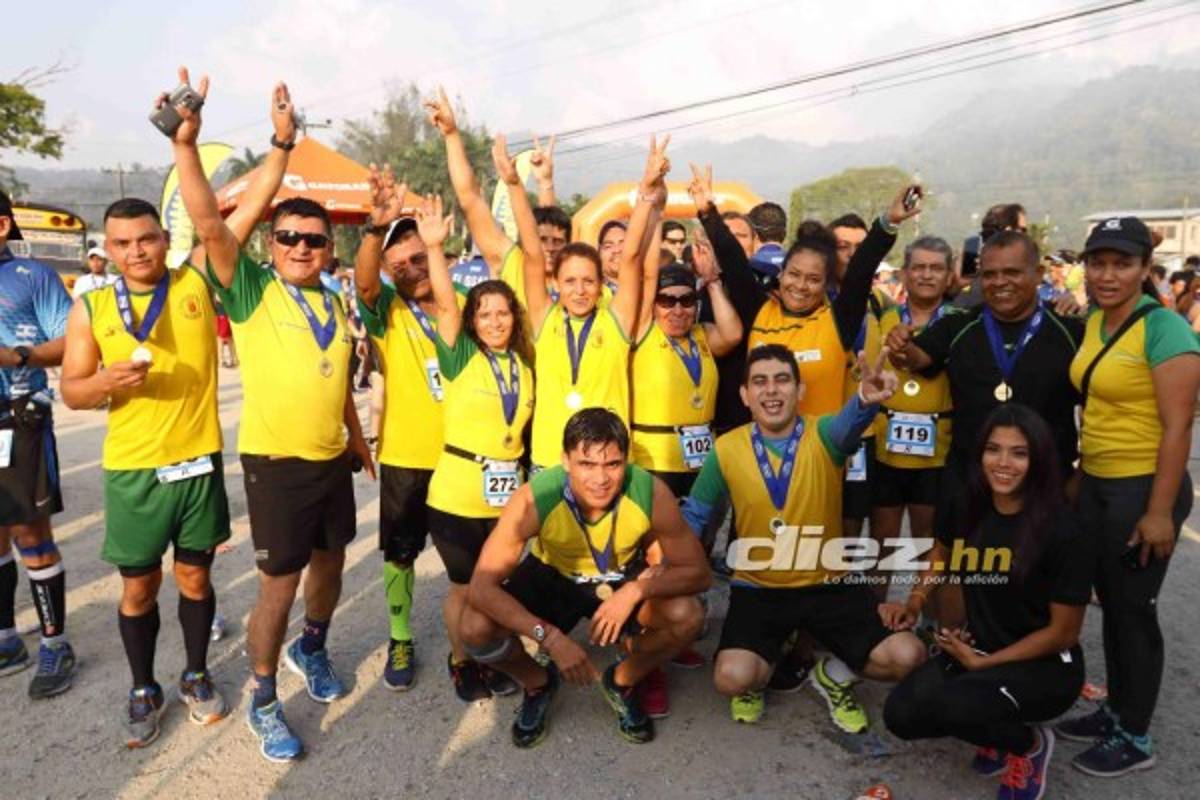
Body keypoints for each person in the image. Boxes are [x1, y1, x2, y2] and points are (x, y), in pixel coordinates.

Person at [170, 67, 374, 762]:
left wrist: (354, 436)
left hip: (331, 459)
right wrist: (192, 148)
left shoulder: (333, 301)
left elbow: (338, 371)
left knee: (332, 566)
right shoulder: (251, 289)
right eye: (288, 237)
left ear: (329, 248)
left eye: (313, 240)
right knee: (277, 588)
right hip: (277, 464)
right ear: (268, 244)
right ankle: (263, 695)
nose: (300, 248)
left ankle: (309, 650)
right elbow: (206, 220)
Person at [60, 197, 234, 747]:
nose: (136, 251)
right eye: (122, 243)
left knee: (195, 578)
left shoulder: (194, 283)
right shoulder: (91, 306)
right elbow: (72, 388)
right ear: (107, 250)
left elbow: (230, 220)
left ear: (164, 238)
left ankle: (197, 673)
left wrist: (277, 148)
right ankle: (142, 687)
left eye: (146, 239)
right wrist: (105, 385)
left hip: (197, 462)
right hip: (133, 470)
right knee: (139, 587)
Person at [682, 344, 925, 728]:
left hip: (827, 583)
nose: (772, 390)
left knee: (907, 656)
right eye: (759, 382)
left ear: (800, 391)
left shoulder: (825, 434)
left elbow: (851, 421)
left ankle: (832, 676)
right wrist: (662, 562)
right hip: (759, 587)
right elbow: (695, 514)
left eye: (782, 380)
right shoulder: (726, 449)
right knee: (732, 677)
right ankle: (759, 673)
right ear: (745, 395)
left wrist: (865, 398)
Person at [459, 408, 711, 747]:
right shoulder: (534, 498)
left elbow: (699, 573)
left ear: (626, 459)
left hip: (619, 578)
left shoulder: (650, 492)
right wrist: (547, 636)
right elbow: (480, 588)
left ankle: (622, 680)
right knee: (474, 627)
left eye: (612, 464)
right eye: (586, 465)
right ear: (565, 461)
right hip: (554, 576)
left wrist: (637, 589)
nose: (600, 479)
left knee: (688, 615)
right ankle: (538, 683)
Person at [883, 405, 1092, 800]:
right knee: (902, 714)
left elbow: (1064, 633)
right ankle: (993, 723)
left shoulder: (1064, 529)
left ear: (1038, 460)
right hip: (980, 647)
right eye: (993, 449)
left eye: (1019, 453)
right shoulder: (967, 502)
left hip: (1046, 668)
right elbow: (942, 551)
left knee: (957, 704)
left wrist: (983, 663)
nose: (1003, 463)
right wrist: (915, 600)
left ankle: (1028, 746)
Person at [1054, 217, 1200, 778]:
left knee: (1134, 610)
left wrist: (1160, 512)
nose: (1108, 274)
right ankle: (1115, 710)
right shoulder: (1095, 321)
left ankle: (1135, 736)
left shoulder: (1164, 329)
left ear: (1144, 268)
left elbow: (1178, 428)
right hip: (1098, 482)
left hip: (1143, 486)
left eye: (1122, 264)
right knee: (1112, 604)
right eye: (1098, 263)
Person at [886, 230, 1084, 541]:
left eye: (1012, 272)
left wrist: (1081, 474)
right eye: (989, 274)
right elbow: (916, 358)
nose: (999, 282)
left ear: (1039, 274)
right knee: (956, 577)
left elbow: (1097, 409)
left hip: (1044, 488)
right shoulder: (960, 324)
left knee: (1036, 582)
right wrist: (900, 346)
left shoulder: (1071, 331)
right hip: (969, 486)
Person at [419, 188, 533, 704]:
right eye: (484, 314)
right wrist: (435, 248)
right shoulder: (461, 356)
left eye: (502, 313)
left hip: (507, 495)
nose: (494, 321)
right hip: (458, 495)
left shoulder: (524, 365)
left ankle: (492, 653)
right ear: (472, 321)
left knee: (499, 590)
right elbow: (445, 301)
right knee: (466, 589)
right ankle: (463, 660)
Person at [354, 164, 450, 692]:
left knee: (474, 557)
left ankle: (471, 641)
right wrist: (375, 229)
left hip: (464, 455)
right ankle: (400, 635)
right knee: (401, 552)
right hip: (408, 455)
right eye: (401, 264)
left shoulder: (467, 307)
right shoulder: (386, 309)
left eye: (420, 257)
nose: (411, 269)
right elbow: (364, 282)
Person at [519, 136, 668, 470]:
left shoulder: (615, 320)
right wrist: (517, 184)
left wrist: (646, 192)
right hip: (549, 462)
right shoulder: (545, 318)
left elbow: (631, 258)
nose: (579, 290)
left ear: (602, 285)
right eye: (570, 281)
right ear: (555, 282)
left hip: (606, 463)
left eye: (589, 281)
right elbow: (531, 255)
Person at [0, 188, 75, 699]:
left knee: (29, 531)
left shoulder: (34, 277)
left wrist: (15, 357)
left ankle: (55, 643)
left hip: (19, 418)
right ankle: (6, 637)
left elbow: (72, 341)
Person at [865, 236, 956, 601]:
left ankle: (928, 625)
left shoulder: (958, 321)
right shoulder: (885, 315)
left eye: (936, 268)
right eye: (918, 267)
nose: (927, 275)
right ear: (904, 273)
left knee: (928, 547)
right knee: (880, 548)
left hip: (937, 452)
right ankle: (872, 626)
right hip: (886, 448)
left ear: (950, 275)